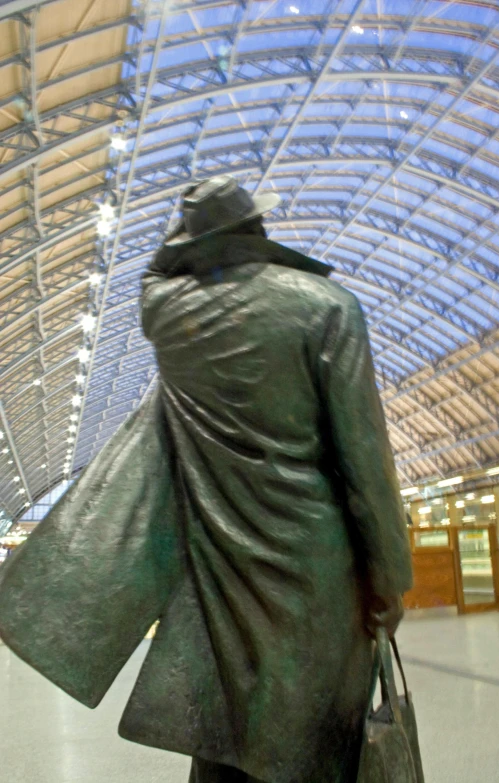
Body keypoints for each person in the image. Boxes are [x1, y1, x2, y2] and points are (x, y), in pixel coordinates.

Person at [0, 175, 412, 783]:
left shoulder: (169, 312)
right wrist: (388, 578)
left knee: (223, 733)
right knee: (313, 741)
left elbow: (155, 276)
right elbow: (365, 461)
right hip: (314, 571)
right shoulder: (328, 307)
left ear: (197, 241)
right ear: (258, 228)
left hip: (216, 563)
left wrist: (184, 237)